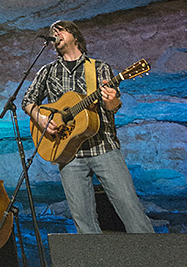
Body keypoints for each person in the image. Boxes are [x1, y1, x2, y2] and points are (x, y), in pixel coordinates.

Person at [22, 20, 154, 234]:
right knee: (84, 222)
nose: (54, 33)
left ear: (75, 35)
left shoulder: (99, 67)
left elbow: (113, 106)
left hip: (103, 146)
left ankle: (157, 262)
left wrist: (111, 100)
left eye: (60, 29)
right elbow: (27, 101)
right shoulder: (47, 71)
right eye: (52, 32)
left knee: (130, 209)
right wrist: (41, 119)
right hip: (67, 153)